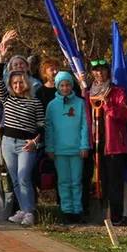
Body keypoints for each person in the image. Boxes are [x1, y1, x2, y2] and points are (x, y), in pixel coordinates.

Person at [0, 31, 46, 227]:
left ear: (26, 82)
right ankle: (23, 210)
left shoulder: (35, 102)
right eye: (13, 83)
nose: (17, 85)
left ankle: (30, 212)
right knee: (15, 179)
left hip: (26, 144)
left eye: (20, 82)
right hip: (8, 142)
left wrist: (36, 141)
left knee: (24, 177)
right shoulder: (7, 98)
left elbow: (42, 126)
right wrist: (2, 52)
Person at [87, 58, 127, 225]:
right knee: (100, 180)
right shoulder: (88, 92)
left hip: (113, 144)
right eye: (96, 70)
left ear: (107, 71)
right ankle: (102, 214)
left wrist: (109, 107)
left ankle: (116, 216)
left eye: (102, 70)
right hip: (95, 143)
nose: (99, 73)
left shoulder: (117, 92)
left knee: (114, 182)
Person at [45, 72, 89, 222]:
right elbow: (49, 128)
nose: (65, 88)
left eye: (68, 84)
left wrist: (84, 145)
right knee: (63, 181)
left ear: (72, 85)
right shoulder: (52, 105)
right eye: (62, 85)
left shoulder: (80, 103)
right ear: (57, 86)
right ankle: (66, 210)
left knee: (76, 181)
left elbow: (85, 126)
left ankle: (77, 210)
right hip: (59, 151)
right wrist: (49, 148)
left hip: (77, 150)